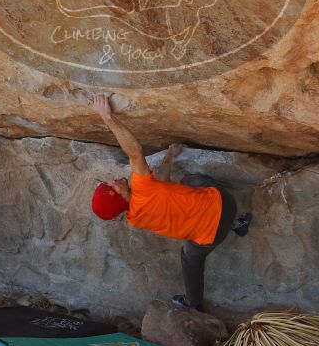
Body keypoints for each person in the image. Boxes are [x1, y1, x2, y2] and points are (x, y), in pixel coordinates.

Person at [88, 93, 251, 311]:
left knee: (189, 257)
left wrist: (168, 157)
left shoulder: (135, 218)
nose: (112, 180)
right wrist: (107, 117)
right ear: (118, 196)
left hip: (211, 237)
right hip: (225, 203)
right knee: (191, 181)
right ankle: (237, 224)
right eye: (111, 187)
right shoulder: (143, 187)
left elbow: (162, 184)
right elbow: (134, 151)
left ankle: (194, 303)